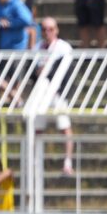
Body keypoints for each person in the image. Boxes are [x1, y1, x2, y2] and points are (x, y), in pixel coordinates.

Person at [34, 17, 76, 175]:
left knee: (64, 127)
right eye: (44, 29)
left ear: (57, 30)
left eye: (50, 29)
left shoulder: (63, 47)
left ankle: (67, 162)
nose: (47, 32)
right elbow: (33, 71)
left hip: (57, 93)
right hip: (39, 94)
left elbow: (66, 73)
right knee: (36, 128)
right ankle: (35, 162)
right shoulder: (37, 47)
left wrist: (62, 93)